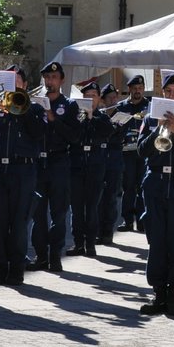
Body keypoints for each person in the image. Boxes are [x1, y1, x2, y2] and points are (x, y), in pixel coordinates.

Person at [137, 72, 174, 316]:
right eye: (169, 92)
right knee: (156, 239)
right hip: (156, 183)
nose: (172, 95)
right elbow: (141, 151)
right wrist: (158, 130)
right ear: (163, 94)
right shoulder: (150, 120)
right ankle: (158, 291)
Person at [0, 67, 46, 287]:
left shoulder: (36, 109)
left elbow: (39, 133)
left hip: (24, 170)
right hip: (0, 172)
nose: (13, 85)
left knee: (20, 223)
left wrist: (23, 108)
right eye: (8, 82)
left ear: (24, 85)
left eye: (17, 81)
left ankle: (17, 270)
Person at [29, 60, 81, 273]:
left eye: (53, 78)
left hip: (59, 161)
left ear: (61, 80)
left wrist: (52, 119)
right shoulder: (33, 105)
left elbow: (74, 136)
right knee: (37, 213)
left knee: (59, 213)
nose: (49, 81)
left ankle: (55, 256)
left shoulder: (70, 105)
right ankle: (41, 256)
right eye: (47, 78)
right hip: (38, 163)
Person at [66, 81, 111, 259]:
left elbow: (108, 131)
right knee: (76, 208)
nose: (90, 99)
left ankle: (90, 244)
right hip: (76, 164)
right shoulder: (76, 117)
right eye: (86, 96)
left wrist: (92, 116)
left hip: (95, 165)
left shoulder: (102, 117)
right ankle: (78, 243)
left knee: (91, 208)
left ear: (99, 98)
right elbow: (70, 135)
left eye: (93, 95)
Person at [114, 73, 151, 231]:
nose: (138, 91)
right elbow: (115, 127)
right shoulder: (122, 107)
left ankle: (142, 220)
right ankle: (127, 220)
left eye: (140, 88)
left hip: (143, 152)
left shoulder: (149, 106)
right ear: (129, 89)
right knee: (128, 186)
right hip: (127, 152)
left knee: (142, 186)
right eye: (135, 88)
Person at [94, 82, 124, 246]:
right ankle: (97, 231)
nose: (113, 100)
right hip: (100, 156)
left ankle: (108, 231)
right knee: (98, 196)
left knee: (111, 196)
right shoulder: (98, 115)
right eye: (110, 98)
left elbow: (120, 138)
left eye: (115, 97)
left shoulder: (121, 115)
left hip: (114, 157)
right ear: (103, 100)